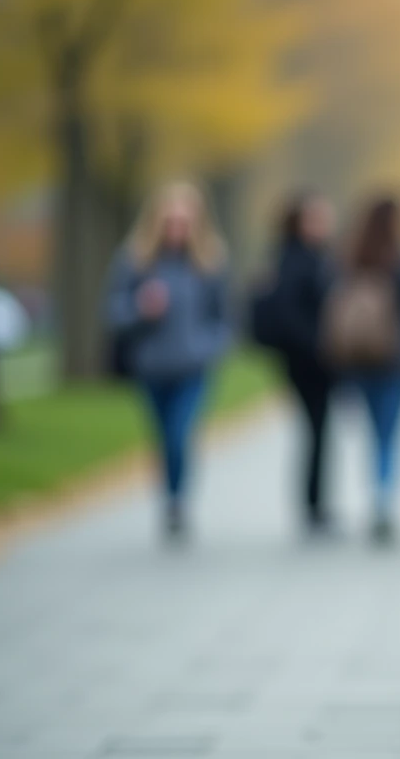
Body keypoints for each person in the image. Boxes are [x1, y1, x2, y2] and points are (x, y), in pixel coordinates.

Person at [105, 181, 232, 541]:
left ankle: (178, 502)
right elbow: (113, 312)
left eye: (185, 221)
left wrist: (209, 347)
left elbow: (224, 318)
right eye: (171, 220)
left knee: (180, 435)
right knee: (162, 438)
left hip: (193, 368)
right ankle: (170, 496)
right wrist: (140, 309)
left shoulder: (210, 261)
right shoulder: (135, 260)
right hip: (152, 366)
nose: (177, 228)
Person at [325, 195, 400, 545]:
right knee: (390, 435)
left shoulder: (349, 258)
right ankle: (385, 499)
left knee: (372, 433)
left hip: (359, 361)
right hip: (395, 361)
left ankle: (376, 497)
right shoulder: (399, 260)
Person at [253, 191, 337, 534]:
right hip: (307, 361)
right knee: (316, 431)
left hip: (316, 360)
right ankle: (313, 506)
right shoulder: (294, 260)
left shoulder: (315, 257)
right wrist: (318, 344)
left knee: (319, 432)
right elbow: (289, 314)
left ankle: (316, 503)